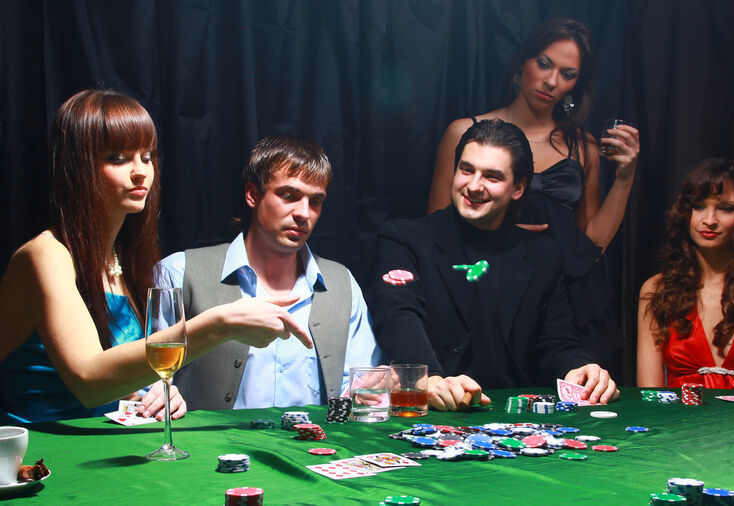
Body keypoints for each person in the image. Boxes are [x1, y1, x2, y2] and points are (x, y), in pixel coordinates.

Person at [0, 90, 315, 424]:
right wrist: (219, 324)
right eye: (118, 158)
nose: (140, 172)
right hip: (37, 457)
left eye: (147, 156)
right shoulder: (46, 253)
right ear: (77, 166)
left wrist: (155, 392)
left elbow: (116, 379)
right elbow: (88, 382)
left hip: (102, 447)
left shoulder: (122, 259)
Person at [426, 18, 640, 376]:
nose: (552, 81)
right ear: (521, 64)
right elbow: (435, 232)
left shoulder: (581, 146)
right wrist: (503, 227)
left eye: (567, 73)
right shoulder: (465, 133)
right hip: (484, 290)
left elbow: (591, 246)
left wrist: (625, 176)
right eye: (544, 64)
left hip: (565, 303)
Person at [367, 119, 619, 411]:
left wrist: (579, 368)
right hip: (436, 412)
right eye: (466, 170)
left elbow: (555, 342)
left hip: (515, 422)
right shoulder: (404, 239)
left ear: (518, 188)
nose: (474, 186)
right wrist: (429, 379)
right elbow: (398, 316)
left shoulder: (543, 255)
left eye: (492, 177)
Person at [156, 136, 381, 410]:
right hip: (206, 451)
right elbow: (144, 384)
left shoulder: (341, 283)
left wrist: (373, 389)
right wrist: (161, 394)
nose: (303, 213)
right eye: (289, 196)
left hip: (311, 451)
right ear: (252, 194)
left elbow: (361, 385)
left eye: (315, 201)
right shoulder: (180, 273)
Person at [637, 158, 734, 389]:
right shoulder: (657, 289)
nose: (709, 220)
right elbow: (650, 396)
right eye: (698, 206)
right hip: (676, 423)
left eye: (725, 208)